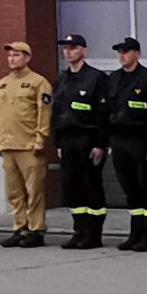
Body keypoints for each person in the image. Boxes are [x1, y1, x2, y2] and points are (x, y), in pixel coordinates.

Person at [104, 37, 147, 251]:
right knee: (130, 189)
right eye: (120, 52)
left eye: (127, 51)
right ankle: (135, 233)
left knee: (146, 186)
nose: (122, 55)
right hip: (120, 141)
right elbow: (106, 111)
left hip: (142, 140)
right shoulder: (113, 78)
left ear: (137, 54)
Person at [52, 34, 110, 249]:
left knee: (91, 186)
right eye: (65, 48)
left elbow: (103, 114)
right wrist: (57, 143)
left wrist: (100, 144)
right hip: (67, 140)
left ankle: (93, 234)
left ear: (83, 51)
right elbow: (55, 113)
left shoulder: (96, 78)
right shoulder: (62, 79)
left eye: (73, 48)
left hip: (88, 139)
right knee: (72, 186)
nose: (68, 52)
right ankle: (79, 230)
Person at [0, 41, 53, 248]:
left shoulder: (38, 82)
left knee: (34, 190)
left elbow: (44, 112)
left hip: (29, 145)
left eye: (17, 55)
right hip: (9, 145)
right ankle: (20, 227)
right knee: (14, 192)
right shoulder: (2, 83)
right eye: (10, 55)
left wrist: (40, 138)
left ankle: (36, 229)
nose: (12, 58)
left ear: (27, 58)